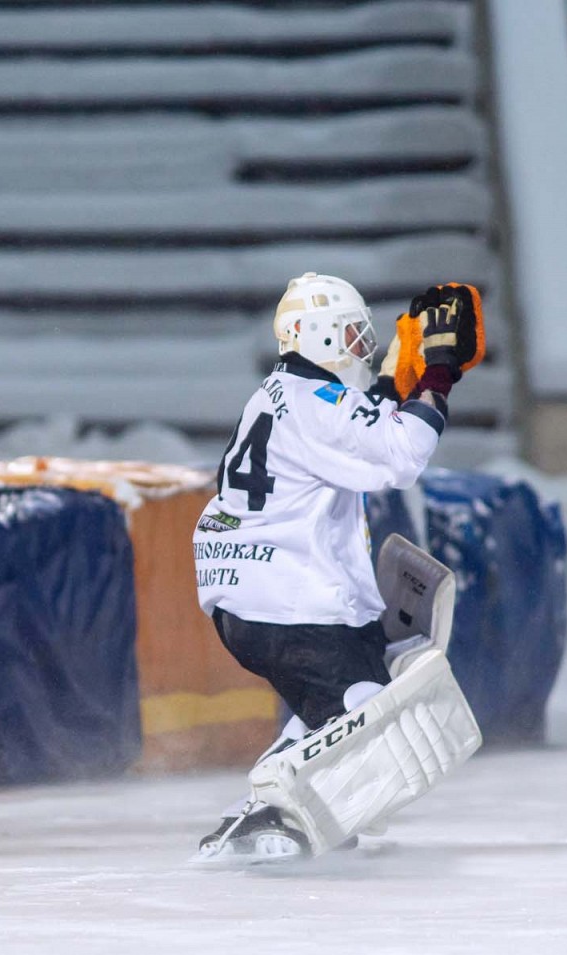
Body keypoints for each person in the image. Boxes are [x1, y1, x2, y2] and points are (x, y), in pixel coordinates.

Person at [190, 271, 483, 863]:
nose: (361, 347)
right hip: (287, 599)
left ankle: (277, 796)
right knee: (366, 714)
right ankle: (270, 813)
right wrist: (438, 374)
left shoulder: (284, 392)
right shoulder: (314, 403)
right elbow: (399, 454)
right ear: (317, 337)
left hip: (255, 594)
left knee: (339, 705)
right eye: (351, 335)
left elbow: (356, 421)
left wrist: (393, 378)